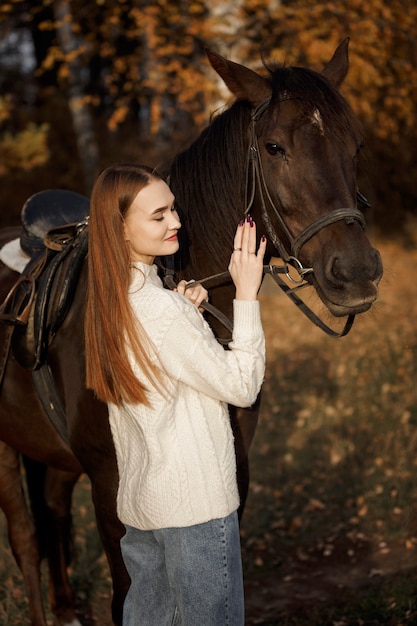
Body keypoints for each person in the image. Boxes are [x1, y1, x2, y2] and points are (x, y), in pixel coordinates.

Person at [84, 163, 267, 626]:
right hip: (196, 514)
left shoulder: (110, 303)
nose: (177, 222)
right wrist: (247, 294)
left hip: (144, 511)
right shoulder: (161, 311)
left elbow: (155, 372)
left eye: (174, 210)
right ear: (120, 230)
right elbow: (242, 386)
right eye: (159, 215)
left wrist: (183, 314)